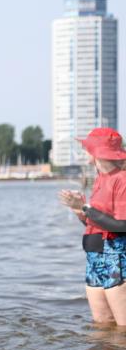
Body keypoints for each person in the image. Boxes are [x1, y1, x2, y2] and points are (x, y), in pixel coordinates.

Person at [59, 127, 126, 327]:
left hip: (116, 257)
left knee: (123, 327)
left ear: (99, 153)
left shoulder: (121, 180)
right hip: (94, 255)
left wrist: (86, 208)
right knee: (102, 325)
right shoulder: (99, 180)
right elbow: (97, 223)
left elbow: (122, 226)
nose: (86, 154)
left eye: (89, 149)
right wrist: (80, 211)